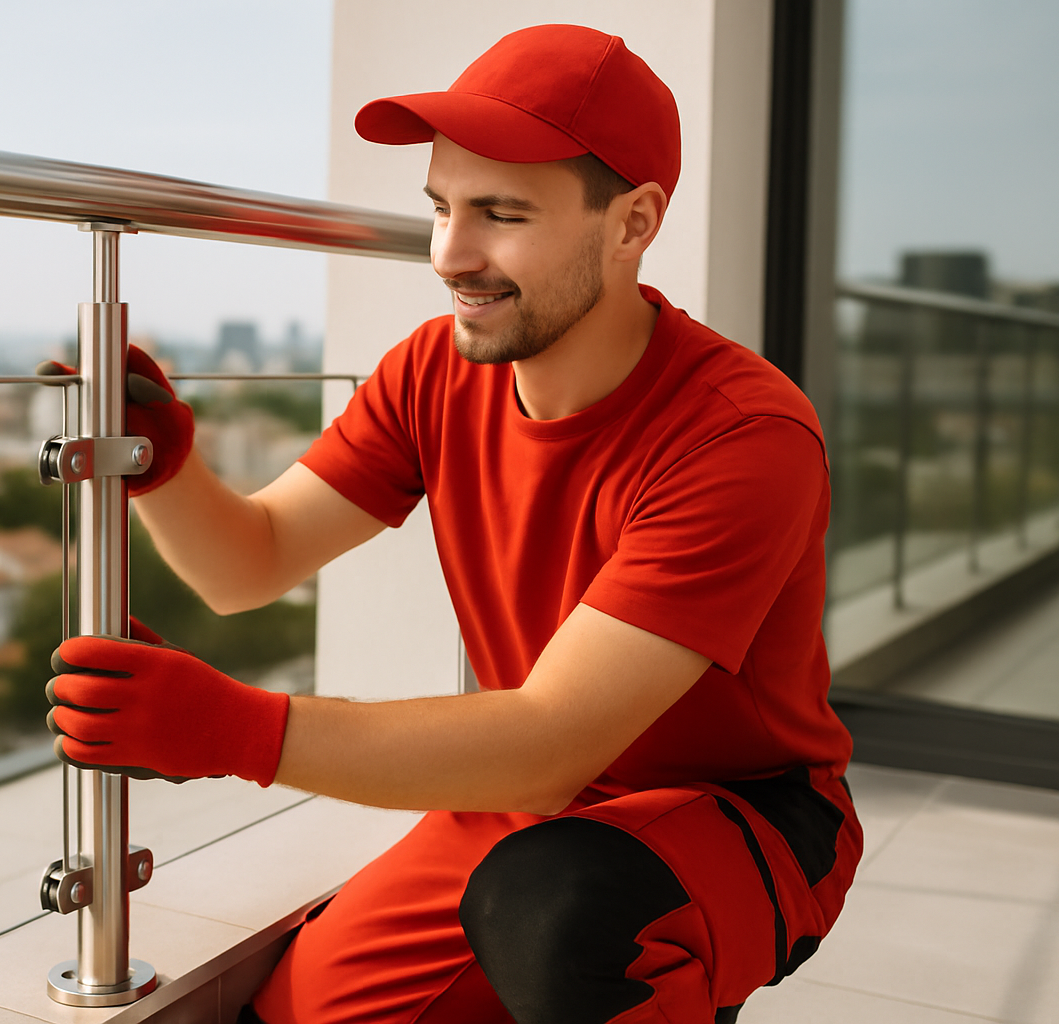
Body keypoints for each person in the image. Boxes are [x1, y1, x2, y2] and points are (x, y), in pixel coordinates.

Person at [43, 23, 862, 1024]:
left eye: (500, 214)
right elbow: (248, 563)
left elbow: (552, 735)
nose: (449, 253)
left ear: (633, 222)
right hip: (527, 798)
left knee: (566, 917)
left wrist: (226, 727)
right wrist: (162, 465)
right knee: (296, 1013)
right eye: (440, 207)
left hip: (741, 810)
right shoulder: (434, 371)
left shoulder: (741, 432)